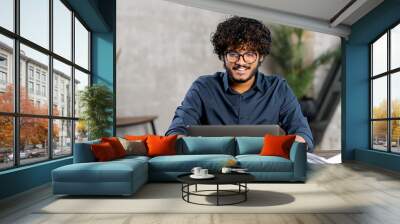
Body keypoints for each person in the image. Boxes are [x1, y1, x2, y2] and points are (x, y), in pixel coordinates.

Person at [165, 16, 314, 151]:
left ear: (260, 56)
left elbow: (302, 133)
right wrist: (183, 144)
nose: (241, 62)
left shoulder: (278, 88)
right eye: (233, 54)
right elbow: (176, 130)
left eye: (249, 54)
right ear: (223, 56)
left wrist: (293, 148)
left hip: (265, 168)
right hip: (213, 168)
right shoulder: (203, 87)